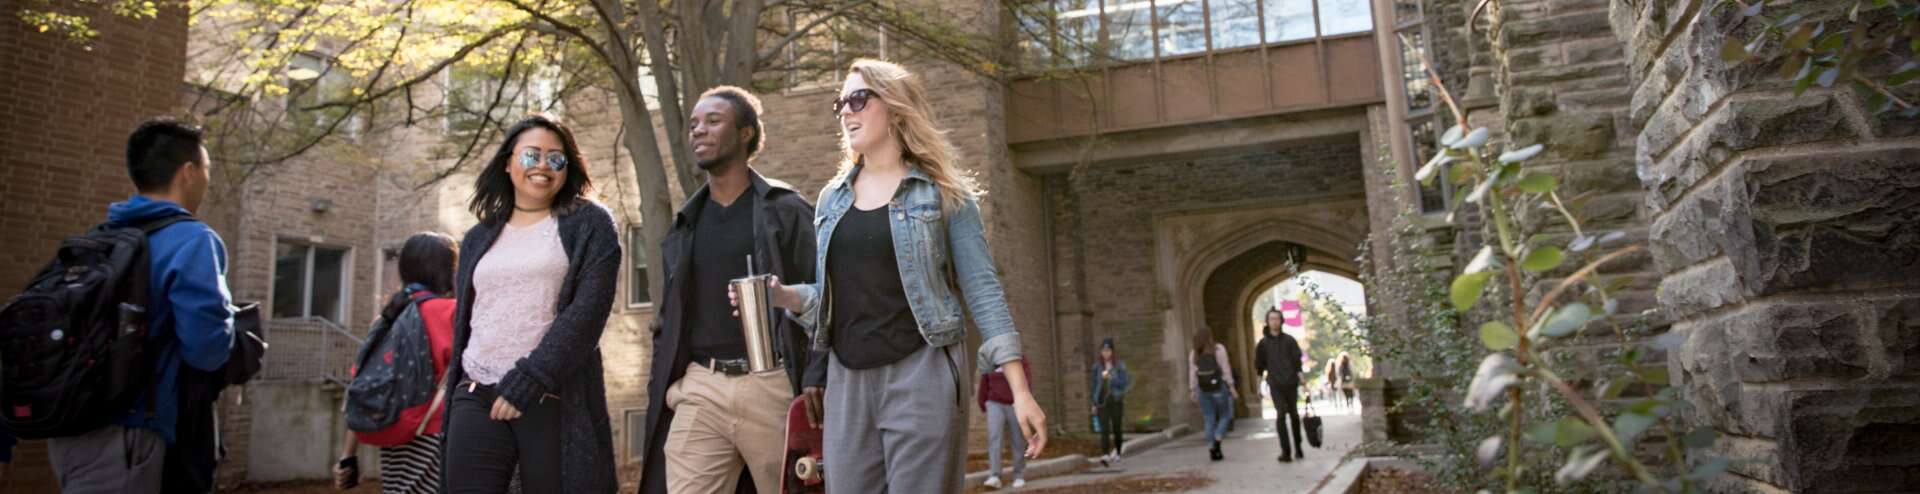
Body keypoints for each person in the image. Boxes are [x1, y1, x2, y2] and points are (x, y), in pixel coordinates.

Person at [757, 59, 1048, 492]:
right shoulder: (831, 201)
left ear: (894, 108)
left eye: (859, 99)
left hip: (922, 372)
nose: (846, 112)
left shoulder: (944, 194)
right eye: (841, 103)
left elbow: (983, 290)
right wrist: (784, 296)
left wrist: (1019, 390)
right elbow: (840, 297)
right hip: (848, 378)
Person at [640, 86, 826, 494]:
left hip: (772, 382)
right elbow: (670, 316)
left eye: (713, 121)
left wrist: (816, 371)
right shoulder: (686, 223)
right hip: (702, 386)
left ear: (745, 133)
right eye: (693, 125)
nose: (698, 131)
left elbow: (826, 295)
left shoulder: (786, 210)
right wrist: (673, 383)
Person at [46, 119, 236, 494]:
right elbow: (207, 350)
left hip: (69, 428)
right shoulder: (192, 240)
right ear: (188, 172)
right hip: (131, 434)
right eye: (206, 170)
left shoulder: (95, 241)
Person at [442, 114, 619, 493]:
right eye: (531, 155)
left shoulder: (590, 224)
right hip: (476, 390)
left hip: (550, 393)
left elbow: (587, 314)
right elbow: (470, 320)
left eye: (556, 158)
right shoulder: (478, 237)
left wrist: (530, 379)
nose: (543, 165)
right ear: (508, 162)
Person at [332, 233, 459, 494]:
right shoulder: (451, 313)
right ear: (449, 269)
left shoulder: (386, 318)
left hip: (392, 429)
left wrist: (347, 456)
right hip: (435, 431)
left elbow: (361, 385)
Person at [1254, 308, 1306, 462]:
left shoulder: (1289, 340)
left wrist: (1302, 380)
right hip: (1275, 384)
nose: (1274, 321)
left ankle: (1298, 447)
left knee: (1294, 415)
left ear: (1281, 321)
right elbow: (1259, 368)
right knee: (1281, 415)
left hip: (1291, 382)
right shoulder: (1263, 344)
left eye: (1277, 318)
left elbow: (1297, 364)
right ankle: (1286, 451)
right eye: (1271, 319)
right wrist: (1258, 387)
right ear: (1268, 321)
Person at [978, 355, 1032, 489]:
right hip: (994, 403)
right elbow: (984, 382)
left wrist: (1025, 402)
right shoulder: (990, 359)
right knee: (994, 437)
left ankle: (1019, 475)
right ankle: (995, 476)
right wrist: (982, 402)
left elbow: (1027, 381)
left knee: (1018, 440)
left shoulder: (1019, 358)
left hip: (1015, 403)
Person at [1189, 329, 1237, 461]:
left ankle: (1211, 447)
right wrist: (1231, 386)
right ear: (1210, 337)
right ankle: (1218, 439)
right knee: (1225, 415)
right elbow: (1225, 368)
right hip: (1219, 387)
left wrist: (1193, 390)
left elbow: (1192, 372)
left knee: (1208, 417)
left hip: (1203, 389)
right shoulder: (1219, 349)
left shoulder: (1194, 353)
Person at [1089, 338, 1131, 466]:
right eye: (1103, 350)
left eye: (1108, 350)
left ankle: (1118, 452)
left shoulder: (1119, 365)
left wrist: (1112, 378)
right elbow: (1093, 385)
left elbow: (1124, 383)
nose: (1105, 353)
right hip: (1102, 401)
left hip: (1115, 399)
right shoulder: (1097, 367)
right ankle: (1105, 454)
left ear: (1112, 352)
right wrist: (1093, 403)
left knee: (1117, 427)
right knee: (1104, 428)